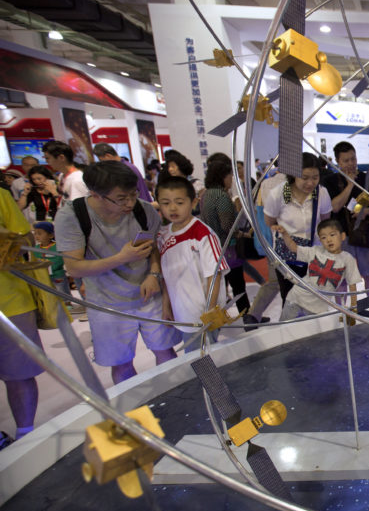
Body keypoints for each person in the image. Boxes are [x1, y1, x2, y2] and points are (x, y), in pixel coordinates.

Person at [54, 161, 180, 384]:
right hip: (106, 303)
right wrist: (121, 258)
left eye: (133, 194)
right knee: (121, 363)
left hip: (149, 296)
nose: (130, 203)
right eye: (121, 198)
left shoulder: (143, 210)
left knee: (166, 352)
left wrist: (153, 274)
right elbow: (74, 266)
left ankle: (179, 399)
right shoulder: (73, 216)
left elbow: (153, 248)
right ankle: (134, 413)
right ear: (96, 194)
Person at [156, 176, 229, 352]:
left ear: (193, 202)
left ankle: (213, 381)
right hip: (182, 312)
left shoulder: (203, 234)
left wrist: (210, 311)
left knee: (205, 358)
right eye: (165, 203)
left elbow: (215, 273)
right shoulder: (163, 235)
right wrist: (166, 305)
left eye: (179, 202)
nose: (172, 208)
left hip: (202, 314)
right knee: (195, 356)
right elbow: (166, 276)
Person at [0, 189, 44, 446]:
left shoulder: (2, 196)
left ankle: (25, 435)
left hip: (10, 301)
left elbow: (24, 239)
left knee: (19, 373)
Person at [262, 152, 333, 306]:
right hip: (287, 257)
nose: (310, 183)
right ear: (294, 175)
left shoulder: (321, 193)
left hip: (313, 255)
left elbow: (325, 219)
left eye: (315, 177)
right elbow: (269, 220)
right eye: (305, 177)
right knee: (289, 300)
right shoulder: (279, 193)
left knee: (314, 300)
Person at [272, 219, 361, 321]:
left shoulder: (347, 259)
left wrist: (354, 306)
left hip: (319, 308)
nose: (328, 240)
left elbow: (352, 284)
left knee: (315, 336)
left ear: (342, 236)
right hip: (296, 299)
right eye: (324, 237)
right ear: (320, 240)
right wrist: (284, 233)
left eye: (332, 235)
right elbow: (293, 248)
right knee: (285, 330)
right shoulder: (315, 251)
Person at [322, 141, 369, 292]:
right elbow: (334, 207)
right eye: (346, 160)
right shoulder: (330, 181)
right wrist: (350, 185)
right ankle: (342, 314)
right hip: (340, 236)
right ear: (338, 162)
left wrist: (367, 211)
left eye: (353, 159)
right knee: (340, 280)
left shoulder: (367, 179)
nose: (351, 163)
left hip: (364, 233)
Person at [199, 155, 250, 316]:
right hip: (227, 247)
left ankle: (220, 316)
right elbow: (227, 225)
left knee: (221, 285)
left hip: (213, 246)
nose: (231, 180)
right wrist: (242, 234)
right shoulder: (221, 197)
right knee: (238, 285)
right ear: (223, 177)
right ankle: (248, 316)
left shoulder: (206, 194)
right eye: (230, 176)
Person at [31, 220, 71, 301]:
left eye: (39, 233)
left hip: (57, 274)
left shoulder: (57, 247)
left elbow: (60, 259)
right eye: (35, 233)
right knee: (47, 292)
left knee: (61, 289)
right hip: (43, 276)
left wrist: (50, 264)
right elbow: (33, 261)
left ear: (51, 235)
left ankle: (67, 302)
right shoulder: (36, 249)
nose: (37, 236)